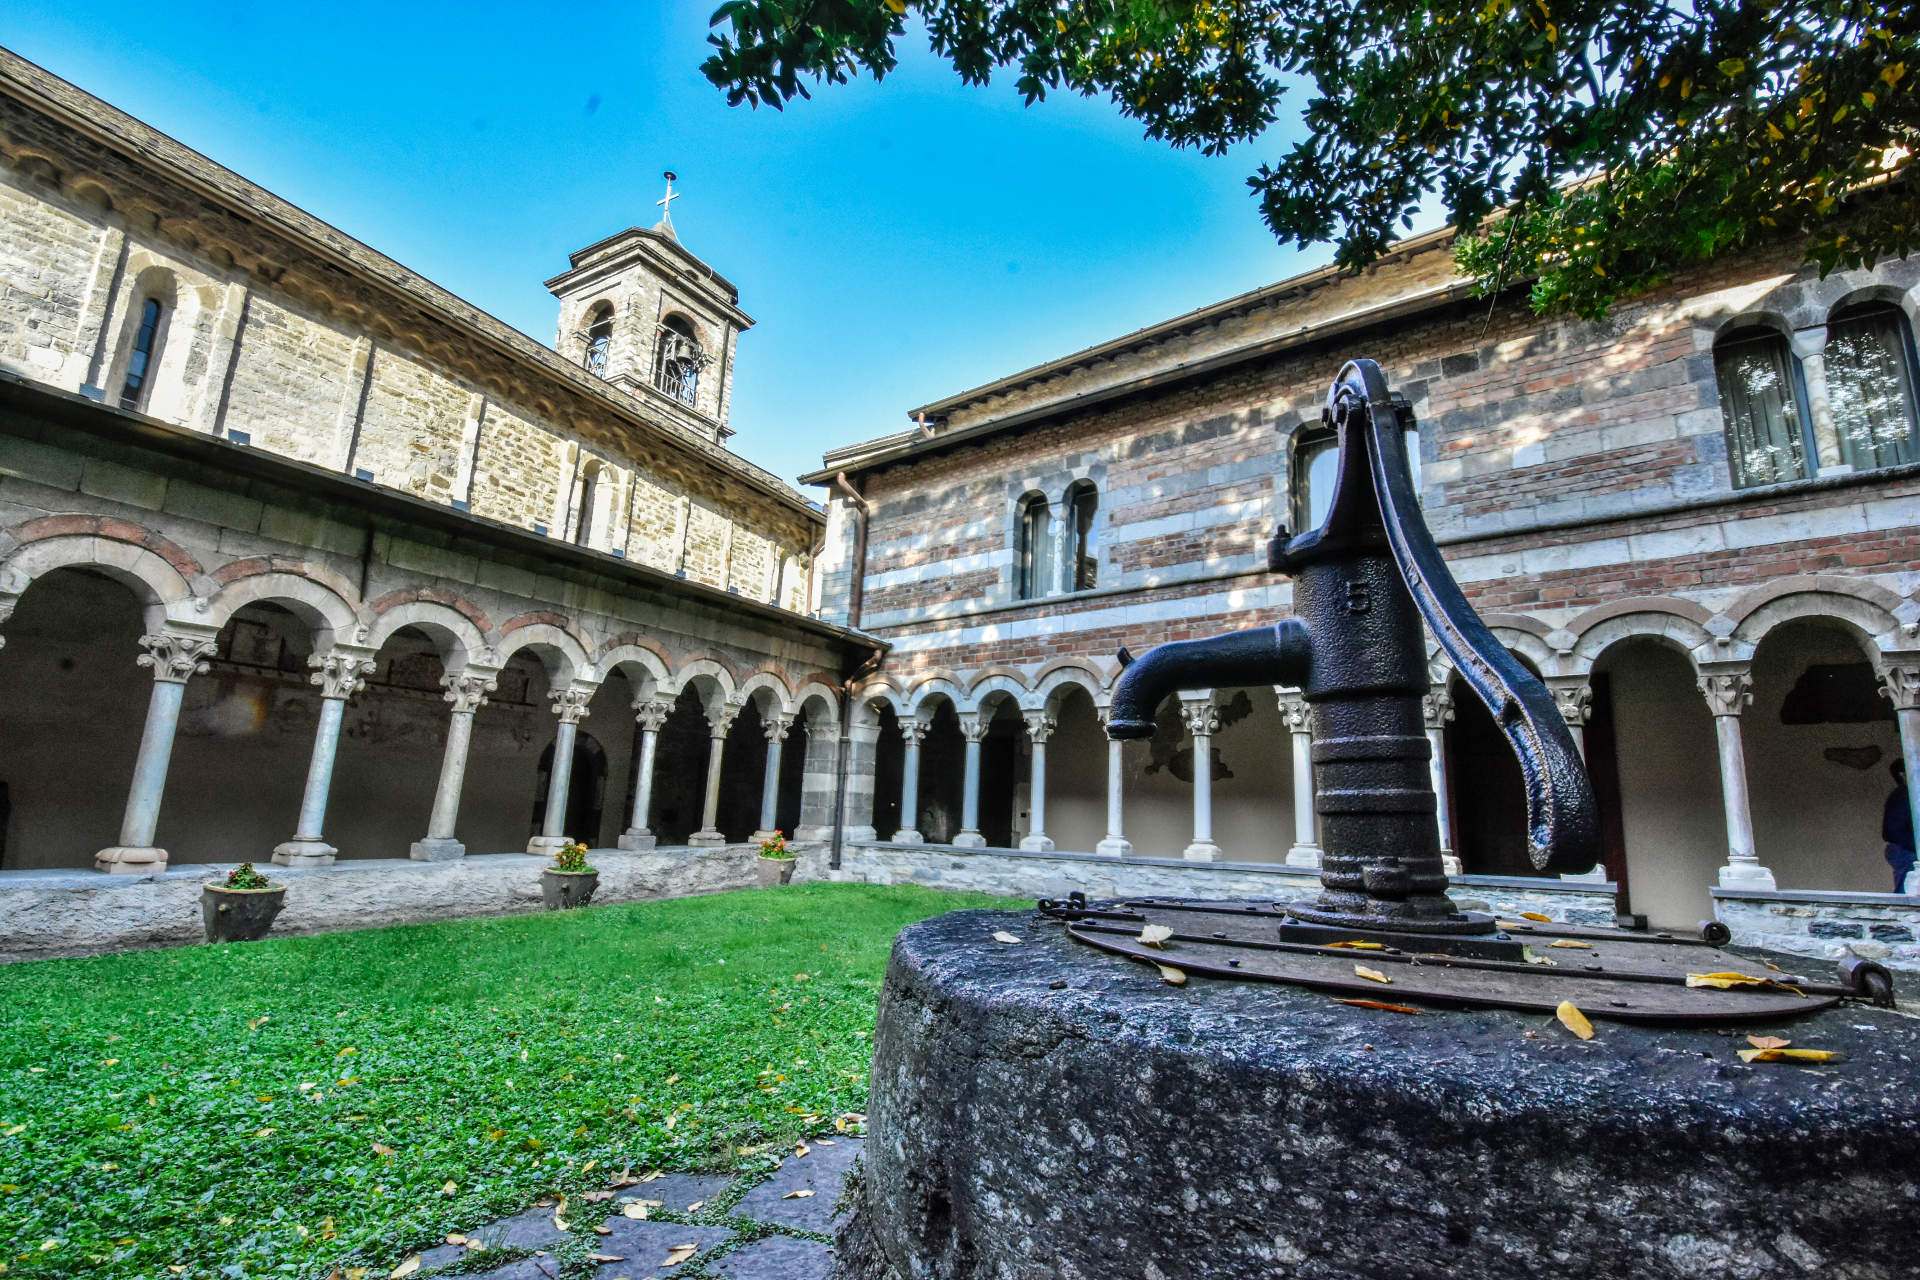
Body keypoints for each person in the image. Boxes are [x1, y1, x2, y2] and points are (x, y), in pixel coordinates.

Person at [1884, 759, 1914, 893]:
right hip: (1904, 851)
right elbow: (1892, 832)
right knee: (1906, 892)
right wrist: (1915, 847)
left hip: (1903, 850)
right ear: (1903, 774)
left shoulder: (1904, 795)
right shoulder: (1902, 795)